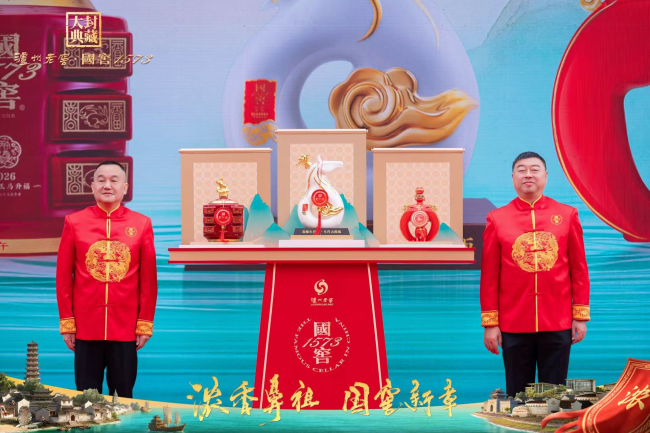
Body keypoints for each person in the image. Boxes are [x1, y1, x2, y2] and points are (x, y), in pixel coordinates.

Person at [480, 151, 590, 398]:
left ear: (546, 176)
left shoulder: (567, 215)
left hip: (558, 319)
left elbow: (579, 269)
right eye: (521, 170)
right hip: (513, 322)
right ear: (513, 177)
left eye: (534, 169)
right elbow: (489, 277)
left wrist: (580, 316)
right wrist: (490, 323)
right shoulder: (497, 219)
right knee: (518, 395)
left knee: (554, 394)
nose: (528, 175)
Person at [56, 161, 158, 398]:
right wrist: (67, 323)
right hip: (85, 326)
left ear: (125, 187)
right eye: (101, 180)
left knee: (122, 396)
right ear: (92, 186)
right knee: (86, 397)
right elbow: (63, 278)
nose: (107, 185)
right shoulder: (74, 222)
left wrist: (144, 323)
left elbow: (148, 281)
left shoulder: (141, 224)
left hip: (125, 327)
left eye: (114, 180)